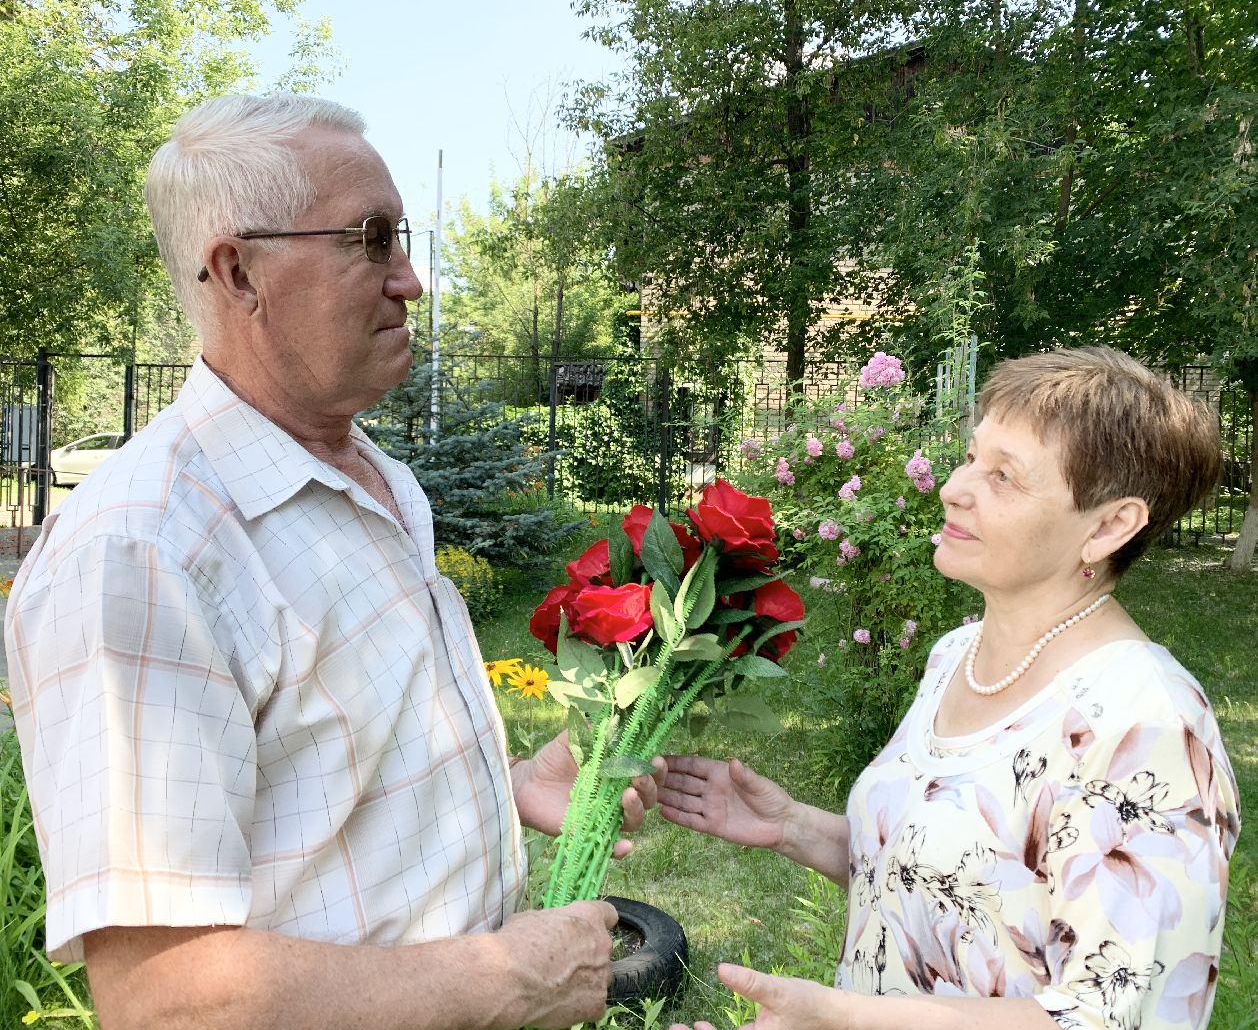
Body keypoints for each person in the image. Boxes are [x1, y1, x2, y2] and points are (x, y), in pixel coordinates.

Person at [5, 93, 662, 1030]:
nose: (411, 280)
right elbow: (163, 1002)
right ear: (238, 273)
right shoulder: (144, 553)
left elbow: (328, 795)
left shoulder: (378, 478)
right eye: (373, 239)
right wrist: (505, 979)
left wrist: (505, 789)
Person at [660, 347, 1240, 1030]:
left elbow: (1115, 1018)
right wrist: (793, 828)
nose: (954, 487)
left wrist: (843, 1020)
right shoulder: (956, 656)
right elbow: (969, 893)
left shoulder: (1146, 726)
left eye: (1004, 477)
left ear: (1110, 526)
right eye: (971, 457)